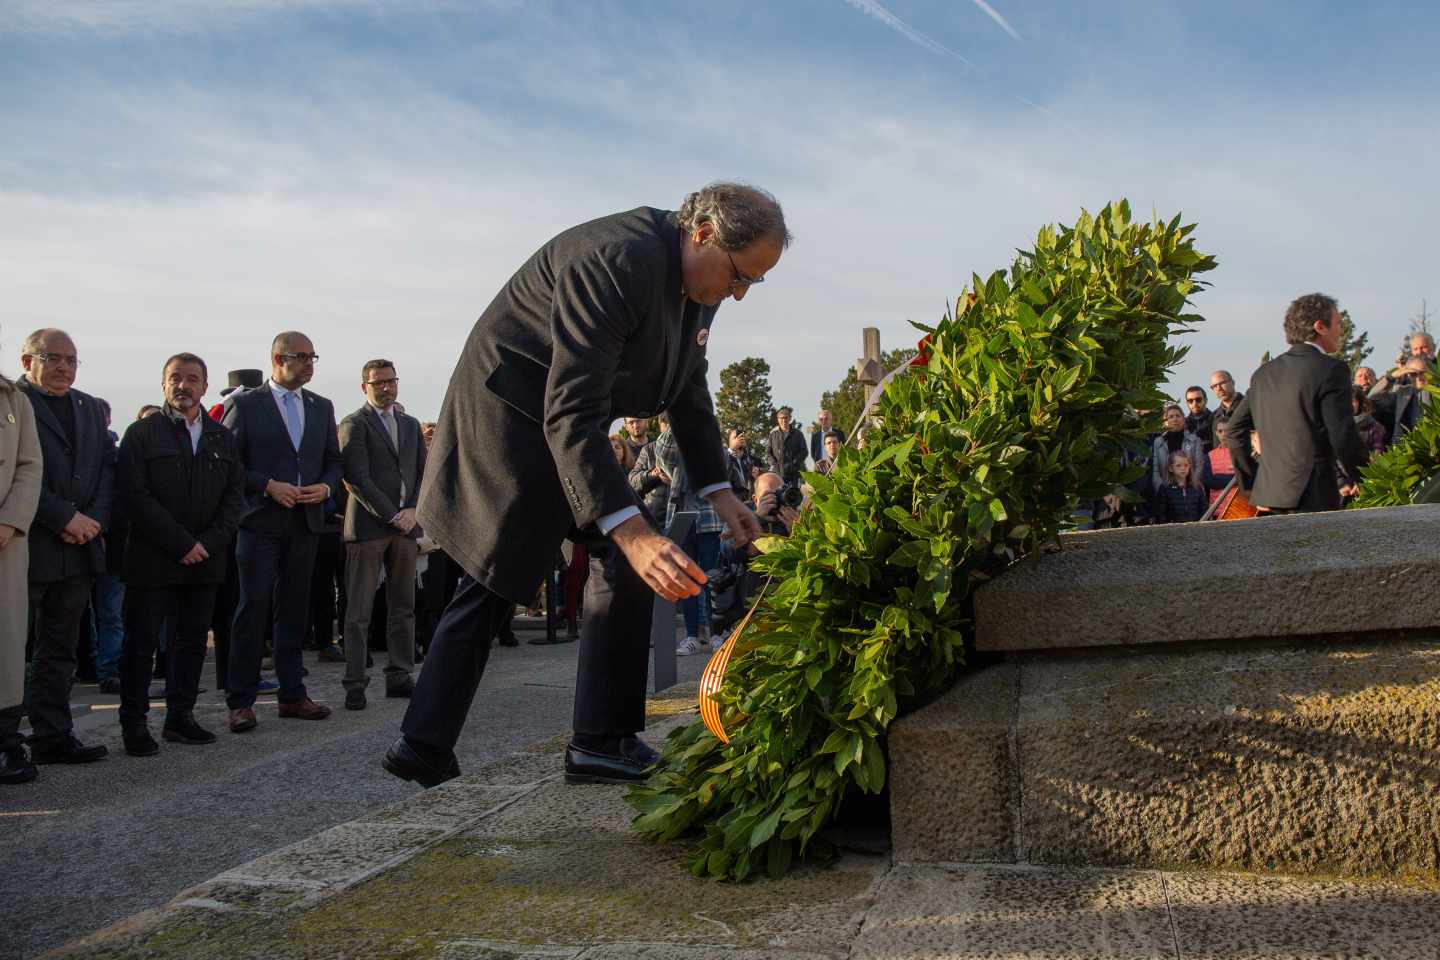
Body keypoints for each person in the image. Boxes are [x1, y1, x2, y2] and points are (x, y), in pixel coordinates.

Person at [385, 182, 782, 789]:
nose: (739, 293)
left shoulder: (699, 279)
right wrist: (630, 528)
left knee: (618, 560)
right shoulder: (615, 259)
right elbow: (568, 410)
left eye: (754, 282)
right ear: (702, 233)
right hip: (514, 413)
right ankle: (428, 742)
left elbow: (687, 384)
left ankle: (598, 738)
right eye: (739, 276)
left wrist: (719, 492)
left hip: (565, 419)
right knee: (502, 571)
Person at [115, 353, 243, 755]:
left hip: (206, 561)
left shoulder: (222, 437)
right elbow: (135, 496)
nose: (183, 386)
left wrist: (206, 543)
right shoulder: (142, 434)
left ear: (205, 387)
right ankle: (134, 723)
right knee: (141, 644)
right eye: (175, 378)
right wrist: (181, 543)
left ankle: (180, 718)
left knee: (190, 643)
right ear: (163, 383)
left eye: (192, 379)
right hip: (153, 560)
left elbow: (234, 498)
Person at [221, 331, 342, 733]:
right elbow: (230, 465)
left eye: (313, 356)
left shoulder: (321, 407)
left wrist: (324, 487)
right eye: (301, 356)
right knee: (252, 607)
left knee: (294, 609)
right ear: (277, 359)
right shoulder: (245, 404)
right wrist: (267, 485)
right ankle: (241, 700)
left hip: (305, 522)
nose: (309, 364)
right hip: (260, 522)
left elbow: (332, 461)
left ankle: (293, 694)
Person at [15, 329, 115, 764]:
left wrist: (91, 522)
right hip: (26, 544)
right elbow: (15, 475)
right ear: (27, 361)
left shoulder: (90, 407)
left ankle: (52, 735)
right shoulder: (12, 404)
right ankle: (6, 740)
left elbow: (106, 472)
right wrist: (63, 518)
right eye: (52, 358)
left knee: (59, 648)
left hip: (78, 548)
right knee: (10, 649)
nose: (63, 367)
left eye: (71, 360)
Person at [1226, 293, 1368, 513]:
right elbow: (1342, 435)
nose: (1342, 331)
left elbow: (1234, 431)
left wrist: (1252, 485)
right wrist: (1368, 478)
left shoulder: (1263, 374)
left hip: (1269, 498)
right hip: (1314, 496)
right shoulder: (1331, 369)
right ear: (1320, 326)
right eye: (1339, 323)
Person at [338, 359, 426, 711]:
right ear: (365, 387)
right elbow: (357, 478)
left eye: (391, 381)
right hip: (369, 529)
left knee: (403, 606)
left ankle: (400, 675)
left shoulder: (409, 424)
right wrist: (392, 514)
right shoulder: (354, 424)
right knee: (359, 610)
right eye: (378, 383)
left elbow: (423, 471)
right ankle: (355, 682)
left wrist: (414, 510)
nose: (386, 387)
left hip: (406, 528)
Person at [0, 335, 43, 784]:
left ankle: (7, 743)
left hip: (8, 540)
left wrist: (11, 520)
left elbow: (30, 465)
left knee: (7, 644)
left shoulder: (14, 399)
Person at [1149, 403, 1213, 494]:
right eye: (1171, 417)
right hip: (1166, 491)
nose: (1175, 419)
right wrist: (1161, 489)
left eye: (1178, 416)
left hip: (1190, 490)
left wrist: (1191, 486)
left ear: (1184, 419)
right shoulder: (1158, 442)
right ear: (1165, 421)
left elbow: (1200, 465)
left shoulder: (1195, 440)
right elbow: (1156, 470)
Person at [1372, 358, 1430, 446]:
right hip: (1406, 446)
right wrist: (1390, 378)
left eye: (1422, 373)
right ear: (1407, 375)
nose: (1418, 378)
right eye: (1413, 374)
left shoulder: (1437, 390)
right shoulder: (1402, 393)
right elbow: (1372, 398)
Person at [628, 412, 670, 522]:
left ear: (646, 422)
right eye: (631, 422)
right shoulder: (649, 450)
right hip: (653, 517)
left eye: (638, 421)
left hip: (684, 516)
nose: (635, 425)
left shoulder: (687, 448)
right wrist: (653, 474)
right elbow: (632, 482)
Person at [1369, 332, 1437, 397]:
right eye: (1415, 349)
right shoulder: (1404, 378)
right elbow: (1373, 397)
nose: (1419, 352)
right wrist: (1393, 377)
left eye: (1424, 347)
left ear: (1434, 347)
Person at [1153, 450, 1206, 523]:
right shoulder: (1165, 488)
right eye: (1178, 465)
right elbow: (1161, 514)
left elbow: (1204, 510)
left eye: (1186, 465)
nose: (1183, 468)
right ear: (1170, 468)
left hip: (1194, 529)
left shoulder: (1197, 487)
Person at [767, 406, 807, 483]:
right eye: (781, 418)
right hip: (777, 474)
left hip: (793, 474)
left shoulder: (798, 434)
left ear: (790, 418)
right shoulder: (773, 434)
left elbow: (804, 451)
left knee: (793, 494)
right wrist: (774, 464)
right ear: (778, 420)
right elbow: (768, 452)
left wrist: (794, 463)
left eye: (786, 418)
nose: (783, 420)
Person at [1208, 370, 1244, 440]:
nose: (1219, 388)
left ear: (1232, 382)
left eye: (1222, 383)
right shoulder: (1213, 417)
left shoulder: (1248, 405)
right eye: (1215, 386)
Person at [1352, 385, 1386, 456]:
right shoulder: (1334, 424)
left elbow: (1377, 451)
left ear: (1360, 403)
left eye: (1352, 401)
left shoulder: (1373, 427)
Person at [1183, 385, 1214, 451]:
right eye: (1190, 401)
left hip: (1214, 459)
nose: (1194, 403)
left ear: (1205, 400)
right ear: (1187, 403)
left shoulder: (1215, 419)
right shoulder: (1183, 424)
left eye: (1198, 400)